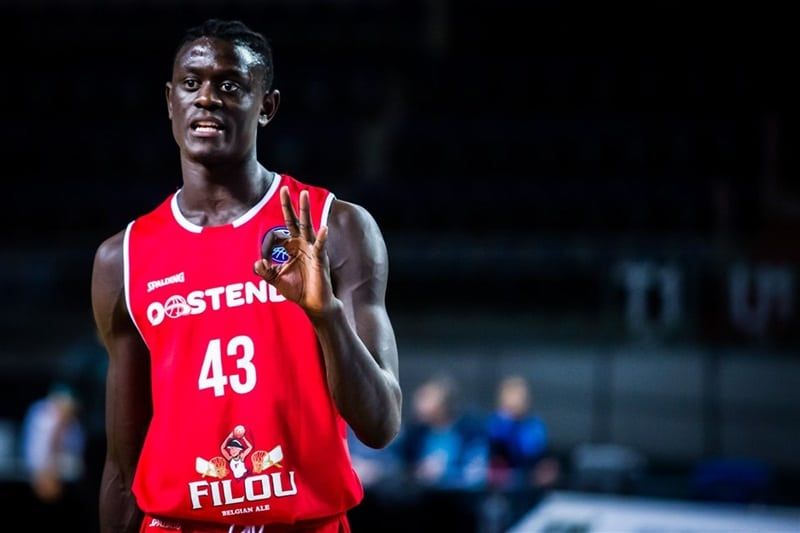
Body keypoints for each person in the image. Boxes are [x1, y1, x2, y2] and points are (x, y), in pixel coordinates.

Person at [90, 18, 401, 533]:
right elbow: (123, 469)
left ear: (267, 106)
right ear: (170, 101)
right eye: (192, 83)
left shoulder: (335, 227)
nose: (206, 98)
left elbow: (382, 424)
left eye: (230, 85)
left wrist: (327, 317)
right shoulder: (122, 258)